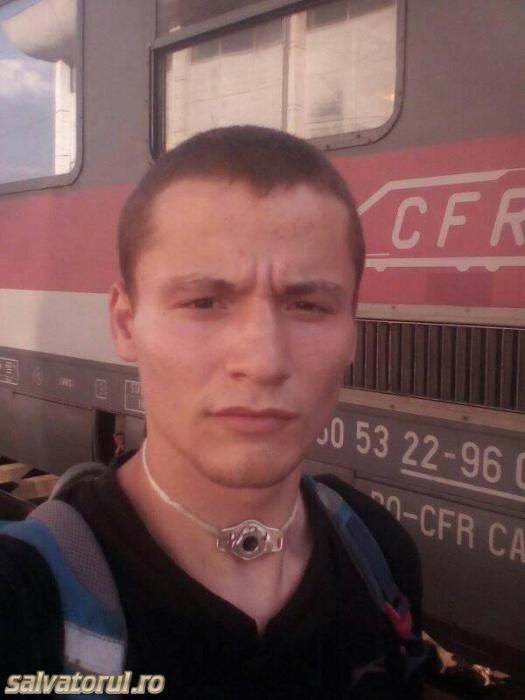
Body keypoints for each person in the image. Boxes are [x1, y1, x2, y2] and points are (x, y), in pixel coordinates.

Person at [0, 126, 423, 698]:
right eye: (203, 302)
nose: (264, 361)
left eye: (308, 305)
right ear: (125, 324)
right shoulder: (22, 601)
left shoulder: (383, 556)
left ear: (352, 328)